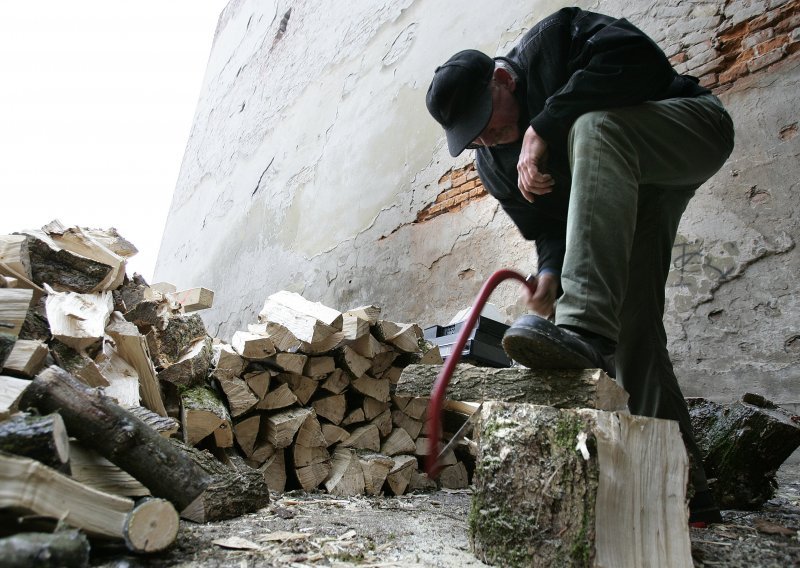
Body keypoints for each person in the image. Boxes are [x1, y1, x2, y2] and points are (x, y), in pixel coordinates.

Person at [425, 7, 734, 524]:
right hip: (635, 190)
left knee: (596, 126)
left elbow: (643, 63)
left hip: (687, 127)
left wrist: (543, 127)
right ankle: (686, 493)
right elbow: (549, 227)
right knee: (633, 328)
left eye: (487, 122)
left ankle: (583, 328)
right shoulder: (493, 162)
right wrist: (549, 273)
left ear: (503, 80)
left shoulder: (555, 41)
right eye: (473, 137)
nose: (486, 138)